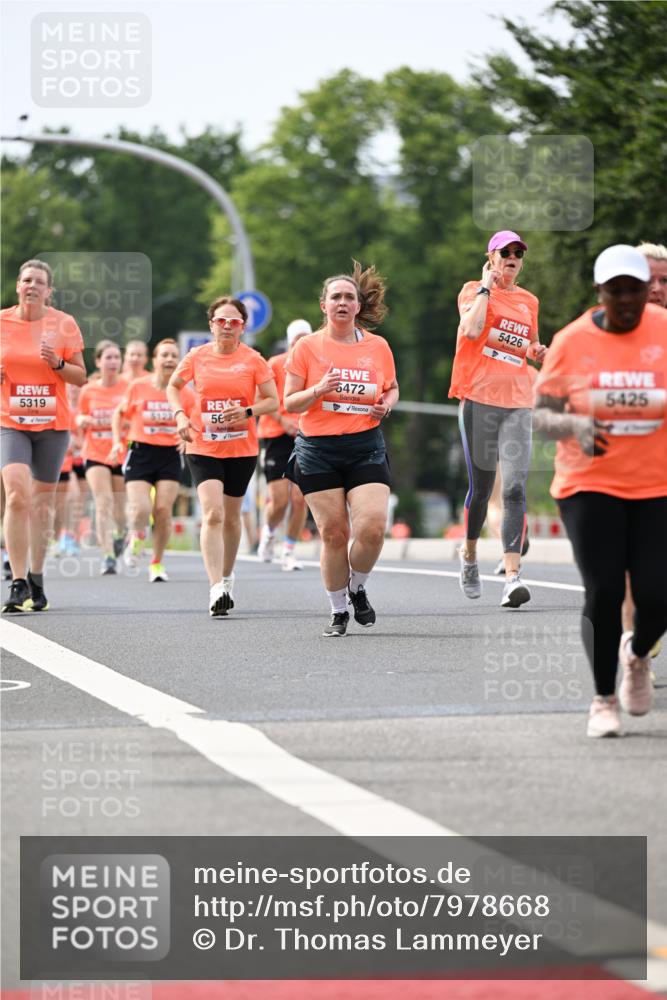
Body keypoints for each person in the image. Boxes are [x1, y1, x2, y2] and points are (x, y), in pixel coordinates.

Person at [534, 244, 667, 738]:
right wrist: (575, 425)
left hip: (657, 484)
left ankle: (637, 654)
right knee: (605, 589)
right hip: (589, 483)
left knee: (658, 593)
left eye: (635, 290)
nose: (627, 300)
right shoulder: (572, 341)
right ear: (600, 292)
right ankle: (603, 699)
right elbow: (541, 415)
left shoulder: (663, 329)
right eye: (617, 291)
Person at [283, 262, 399, 637]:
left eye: (349, 297)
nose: (343, 303)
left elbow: (392, 388)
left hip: (365, 445)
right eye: (336, 297)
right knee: (334, 533)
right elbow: (290, 402)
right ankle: (337, 610)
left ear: (358, 306)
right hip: (318, 450)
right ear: (324, 305)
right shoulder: (307, 347)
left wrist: (386, 405)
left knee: (373, 528)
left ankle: (357, 587)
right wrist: (318, 389)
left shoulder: (378, 347)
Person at [449, 230, 546, 608]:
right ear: (491, 258)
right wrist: (486, 289)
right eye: (505, 252)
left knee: (515, 488)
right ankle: (470, 553)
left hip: (518, 402)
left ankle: (512, 576)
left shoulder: (529, 301)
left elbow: (528, 345)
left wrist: (537, 351)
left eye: (518, 253)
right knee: (482, 489)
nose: (512, 258)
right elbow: (472, 330)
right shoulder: (472, 291)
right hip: (479, 399)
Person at [167, 296, 279, 616]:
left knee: (231, 516)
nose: (227, 326)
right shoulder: (197, 356)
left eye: (234, 322)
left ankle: (227, 577)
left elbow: (273, 401)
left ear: (242, 327)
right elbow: (173, 387)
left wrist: (247, 411)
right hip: (202, 445)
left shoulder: (254, 360)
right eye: (221, 321)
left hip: (241, 448)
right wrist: (179, 415)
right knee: (213, 513)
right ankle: (215, 586)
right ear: (211, 325)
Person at [1, 259, 86, 613]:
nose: (32, 286)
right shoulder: (2, 322)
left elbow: (81, 376)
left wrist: (57, 364)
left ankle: (36, 577)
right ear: (18, 286)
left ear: (49, 290)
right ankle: (18, 580)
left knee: (42, 504)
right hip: (10, 421)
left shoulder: (64, 324)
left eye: (39, 282)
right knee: (17, 495)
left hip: (52, 425)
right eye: (27, 280)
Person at [110, 339, 194, 582]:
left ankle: (156, 563)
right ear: (154, 360)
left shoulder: (185, 392)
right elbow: (118, 414)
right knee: (141, 509)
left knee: (163, 511)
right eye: (164, 355)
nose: (169, 359)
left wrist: (188, 440)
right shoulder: (138, 386)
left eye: (174, 356)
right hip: (140, 452)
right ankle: (136, 537)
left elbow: (196, 421)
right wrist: (116, 441)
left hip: (170, 455)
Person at [621, 242, 667, 644]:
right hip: (627, 472)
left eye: (664, 281)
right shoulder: (601, 331)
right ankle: (636, 644)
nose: (656, 288)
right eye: (648, 280)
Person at [257, 319, 312, 571]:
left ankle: (289, 549)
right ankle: (269, 532)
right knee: (279, 501)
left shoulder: (316, 364)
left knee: (300, 498)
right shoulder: (275, 364)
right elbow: (261, 398)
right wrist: (282, 419)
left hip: (305, 435)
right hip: (275, 434)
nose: (301, 342)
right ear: (290, 341)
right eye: (297, 338)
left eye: (305, 337)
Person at [77, 341, 128, 575]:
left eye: (116, 357)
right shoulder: (89, 390)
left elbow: (136, 417)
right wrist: (82, 421)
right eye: (108, 357)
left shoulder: (128, 388)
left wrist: (124, 423)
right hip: (95, 452)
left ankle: (120, 534)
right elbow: (79, 417)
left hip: (121, 453)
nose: (113, 362)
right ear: (98, 362)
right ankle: (107, 555)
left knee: (120, 506)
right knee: (103, 501)